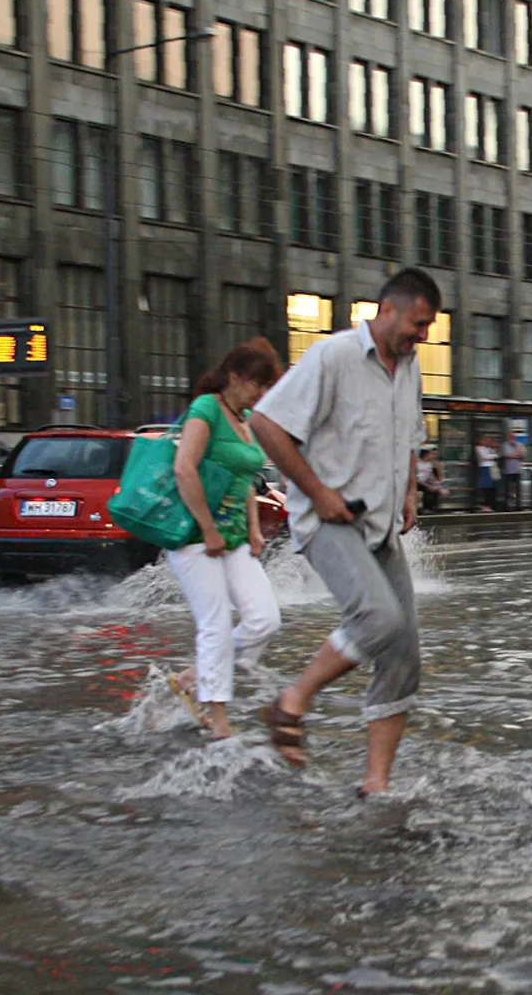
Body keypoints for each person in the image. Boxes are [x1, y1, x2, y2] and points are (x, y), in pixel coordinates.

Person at [251, 268, 439, 796]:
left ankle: (374, 784)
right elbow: (267, 423)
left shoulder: (409, 367)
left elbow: (408, 432)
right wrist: (316, 491)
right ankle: (293, 699)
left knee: (403, 656)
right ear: (388, 310)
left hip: (379, 526)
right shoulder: (332, 357)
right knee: (378, 618)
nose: (423, 336)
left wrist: (408, 491)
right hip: (328, 521)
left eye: (427, 327)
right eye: (419, 324)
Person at [168, 338, 284, 739]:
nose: (262, 393)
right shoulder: (205, 410)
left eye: (267, 386)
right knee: (215, 624)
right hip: (194, 536)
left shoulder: (245, 417)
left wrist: (253, 529)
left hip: (234, 536)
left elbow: (244, 479)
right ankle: (218, 718)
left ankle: (194, 676)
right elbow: (185, 470)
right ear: (233, 377)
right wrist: (208, 529)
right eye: (257, 384)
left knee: (265, 618)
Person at [416, 447, 447, 512]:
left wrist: (439, 485)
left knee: (435, 488)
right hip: (418, 483)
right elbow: (416, 479)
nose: (433, 456)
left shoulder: (430, 464)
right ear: (426, 455)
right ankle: (426, 508)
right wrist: (429, 485)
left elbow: (432, 476)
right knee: (429, 489)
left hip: (426, 482)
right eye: (432, 454)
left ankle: (432, 508)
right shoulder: (417, 463)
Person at [501, 432, 526, 510]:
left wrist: (515, 451)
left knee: (518, 488)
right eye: (510, 437)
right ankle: (507, 505)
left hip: (517, 469)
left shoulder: (519, 445)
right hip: (508, 470)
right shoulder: (504, 445)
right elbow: (506, 455)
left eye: (513, 437)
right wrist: (515, 456)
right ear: (508, 437)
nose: (512, 438)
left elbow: (522, 454)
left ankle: (518, 505)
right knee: (507, 488)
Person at [474, 434, 499, 512]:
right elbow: (485, 457)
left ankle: (491, 505)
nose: (487, 442)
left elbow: (494, 455)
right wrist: (494, 456)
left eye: (489, 440)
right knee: (486, 487)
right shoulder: (478, 448)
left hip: (492, 468)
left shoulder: (489, 449)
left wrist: (493, 449)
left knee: (492, 487)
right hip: (485, 468)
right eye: (486, 440)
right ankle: (485, 505)